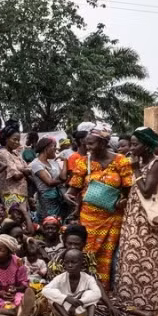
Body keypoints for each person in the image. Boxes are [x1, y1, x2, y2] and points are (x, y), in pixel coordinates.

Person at [67, 122, 133, 290]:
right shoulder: (83, 162)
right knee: (88, 252)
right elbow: (73, 189)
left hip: (114, 216)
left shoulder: (120, 161)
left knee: (110, 254)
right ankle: (87, 288)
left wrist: (122, 201)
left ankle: (106, 289)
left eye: (91, 143)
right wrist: (71, 199)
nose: (87, 146)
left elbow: (128, 189)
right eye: (86, 143)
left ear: (104, 143)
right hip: (89, 218)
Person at [113, 127, 158, 312]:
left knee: (147, 260)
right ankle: (128, 301)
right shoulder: (140, 162)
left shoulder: (156, 163)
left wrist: (136, 170)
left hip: (149, 221)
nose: (131, 148)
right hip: (134, 217)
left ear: (146, 145)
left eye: (135, 144)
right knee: (130, 259)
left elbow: (147, 191)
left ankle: (147, 303)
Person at [42, 249, 101, 316]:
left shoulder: (88, 278)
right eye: (67, 262)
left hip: (80, 312)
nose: (70, 265)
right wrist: (67, 298)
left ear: (81, 263)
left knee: (90, 294)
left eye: (73, 262)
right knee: (53, 297)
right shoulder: (60, 278)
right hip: (63, 314)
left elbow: (98, 294)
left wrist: (81, 301)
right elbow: (45, 290)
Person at [0, 121, 32, 209]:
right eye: (14, 139)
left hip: (21, 193)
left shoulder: (15, 154)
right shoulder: (3, 154)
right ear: (6, 139)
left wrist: (23, 170)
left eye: (18, 140)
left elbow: (28, 169)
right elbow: (16, 175)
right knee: (14, 219)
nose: (17, 142)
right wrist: (24, 170)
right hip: (11, 194)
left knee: (22, 220)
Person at [30, 137, 67, 218]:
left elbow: (62, 176)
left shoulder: (52, 162)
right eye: (54, 147)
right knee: (51, 221)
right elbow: (49, 182)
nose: (56, 150)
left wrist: (65, 162)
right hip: (47, 198)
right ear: (46, 148)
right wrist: (65, 179)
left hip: (59, 196)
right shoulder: (36, 164)